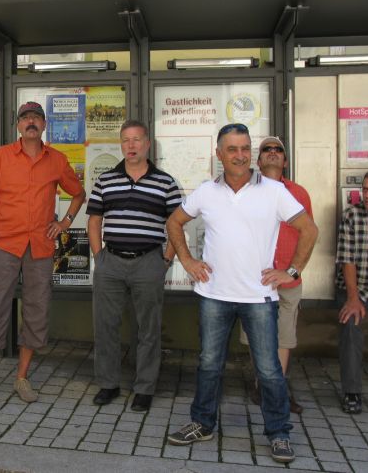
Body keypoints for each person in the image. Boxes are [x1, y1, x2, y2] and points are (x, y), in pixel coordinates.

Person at [164, 123, 318, 464]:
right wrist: (187, 260)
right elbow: (174, 222)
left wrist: (291, 271)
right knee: (208, 364)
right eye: (232, 149)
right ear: (219, 154)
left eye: (245, 148)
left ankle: (279, 433)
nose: (240, 155)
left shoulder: (274, 191)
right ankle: (202, 423)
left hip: (259, 298)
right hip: (214, 295)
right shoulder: (207, 191)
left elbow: (309, 229)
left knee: (269, 370)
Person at [0, 101, 86, 409]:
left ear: (44, 125)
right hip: (5, 245)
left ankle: (22, 377)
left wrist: (64, 223)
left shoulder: (56, 160)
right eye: (25, 118)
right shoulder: (1, 156)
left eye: (36, 118)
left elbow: (78, 194)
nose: (31, 122)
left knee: (36, 309)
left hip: (40, 247)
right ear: (18, 125)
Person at [86, 119, 181, 412]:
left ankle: (144, 388)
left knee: (148, 329)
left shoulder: (165, 182)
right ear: (121, 144)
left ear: (147, 144)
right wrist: (99, 257)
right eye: (126, 140)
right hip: (111, 262)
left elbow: (176, 225)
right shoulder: (105, 180)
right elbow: (94, 221)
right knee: (105, 326)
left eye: (137, 139)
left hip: (149, 262)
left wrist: (165, 260)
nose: (131, 145)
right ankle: (108, 384)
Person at [240, 136, 313, 414]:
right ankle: (262, 385)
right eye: (266, 150)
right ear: (258, 161)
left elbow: (309, 234)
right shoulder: (246, 190)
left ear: (285, 160)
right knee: (256, 335)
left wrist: (291, 271)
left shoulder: (299, 193)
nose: (272, 152)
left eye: (278, 150)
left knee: (283, 337)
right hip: (255, 278)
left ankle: (276, 390)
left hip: (287, 279)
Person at [336, 168, 368, 415]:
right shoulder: (352, 215)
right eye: (365, 189)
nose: (367, 195)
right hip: (357, 286)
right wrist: (352, 298)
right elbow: (347, 258)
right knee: (350, 322)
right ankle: (352, 392)